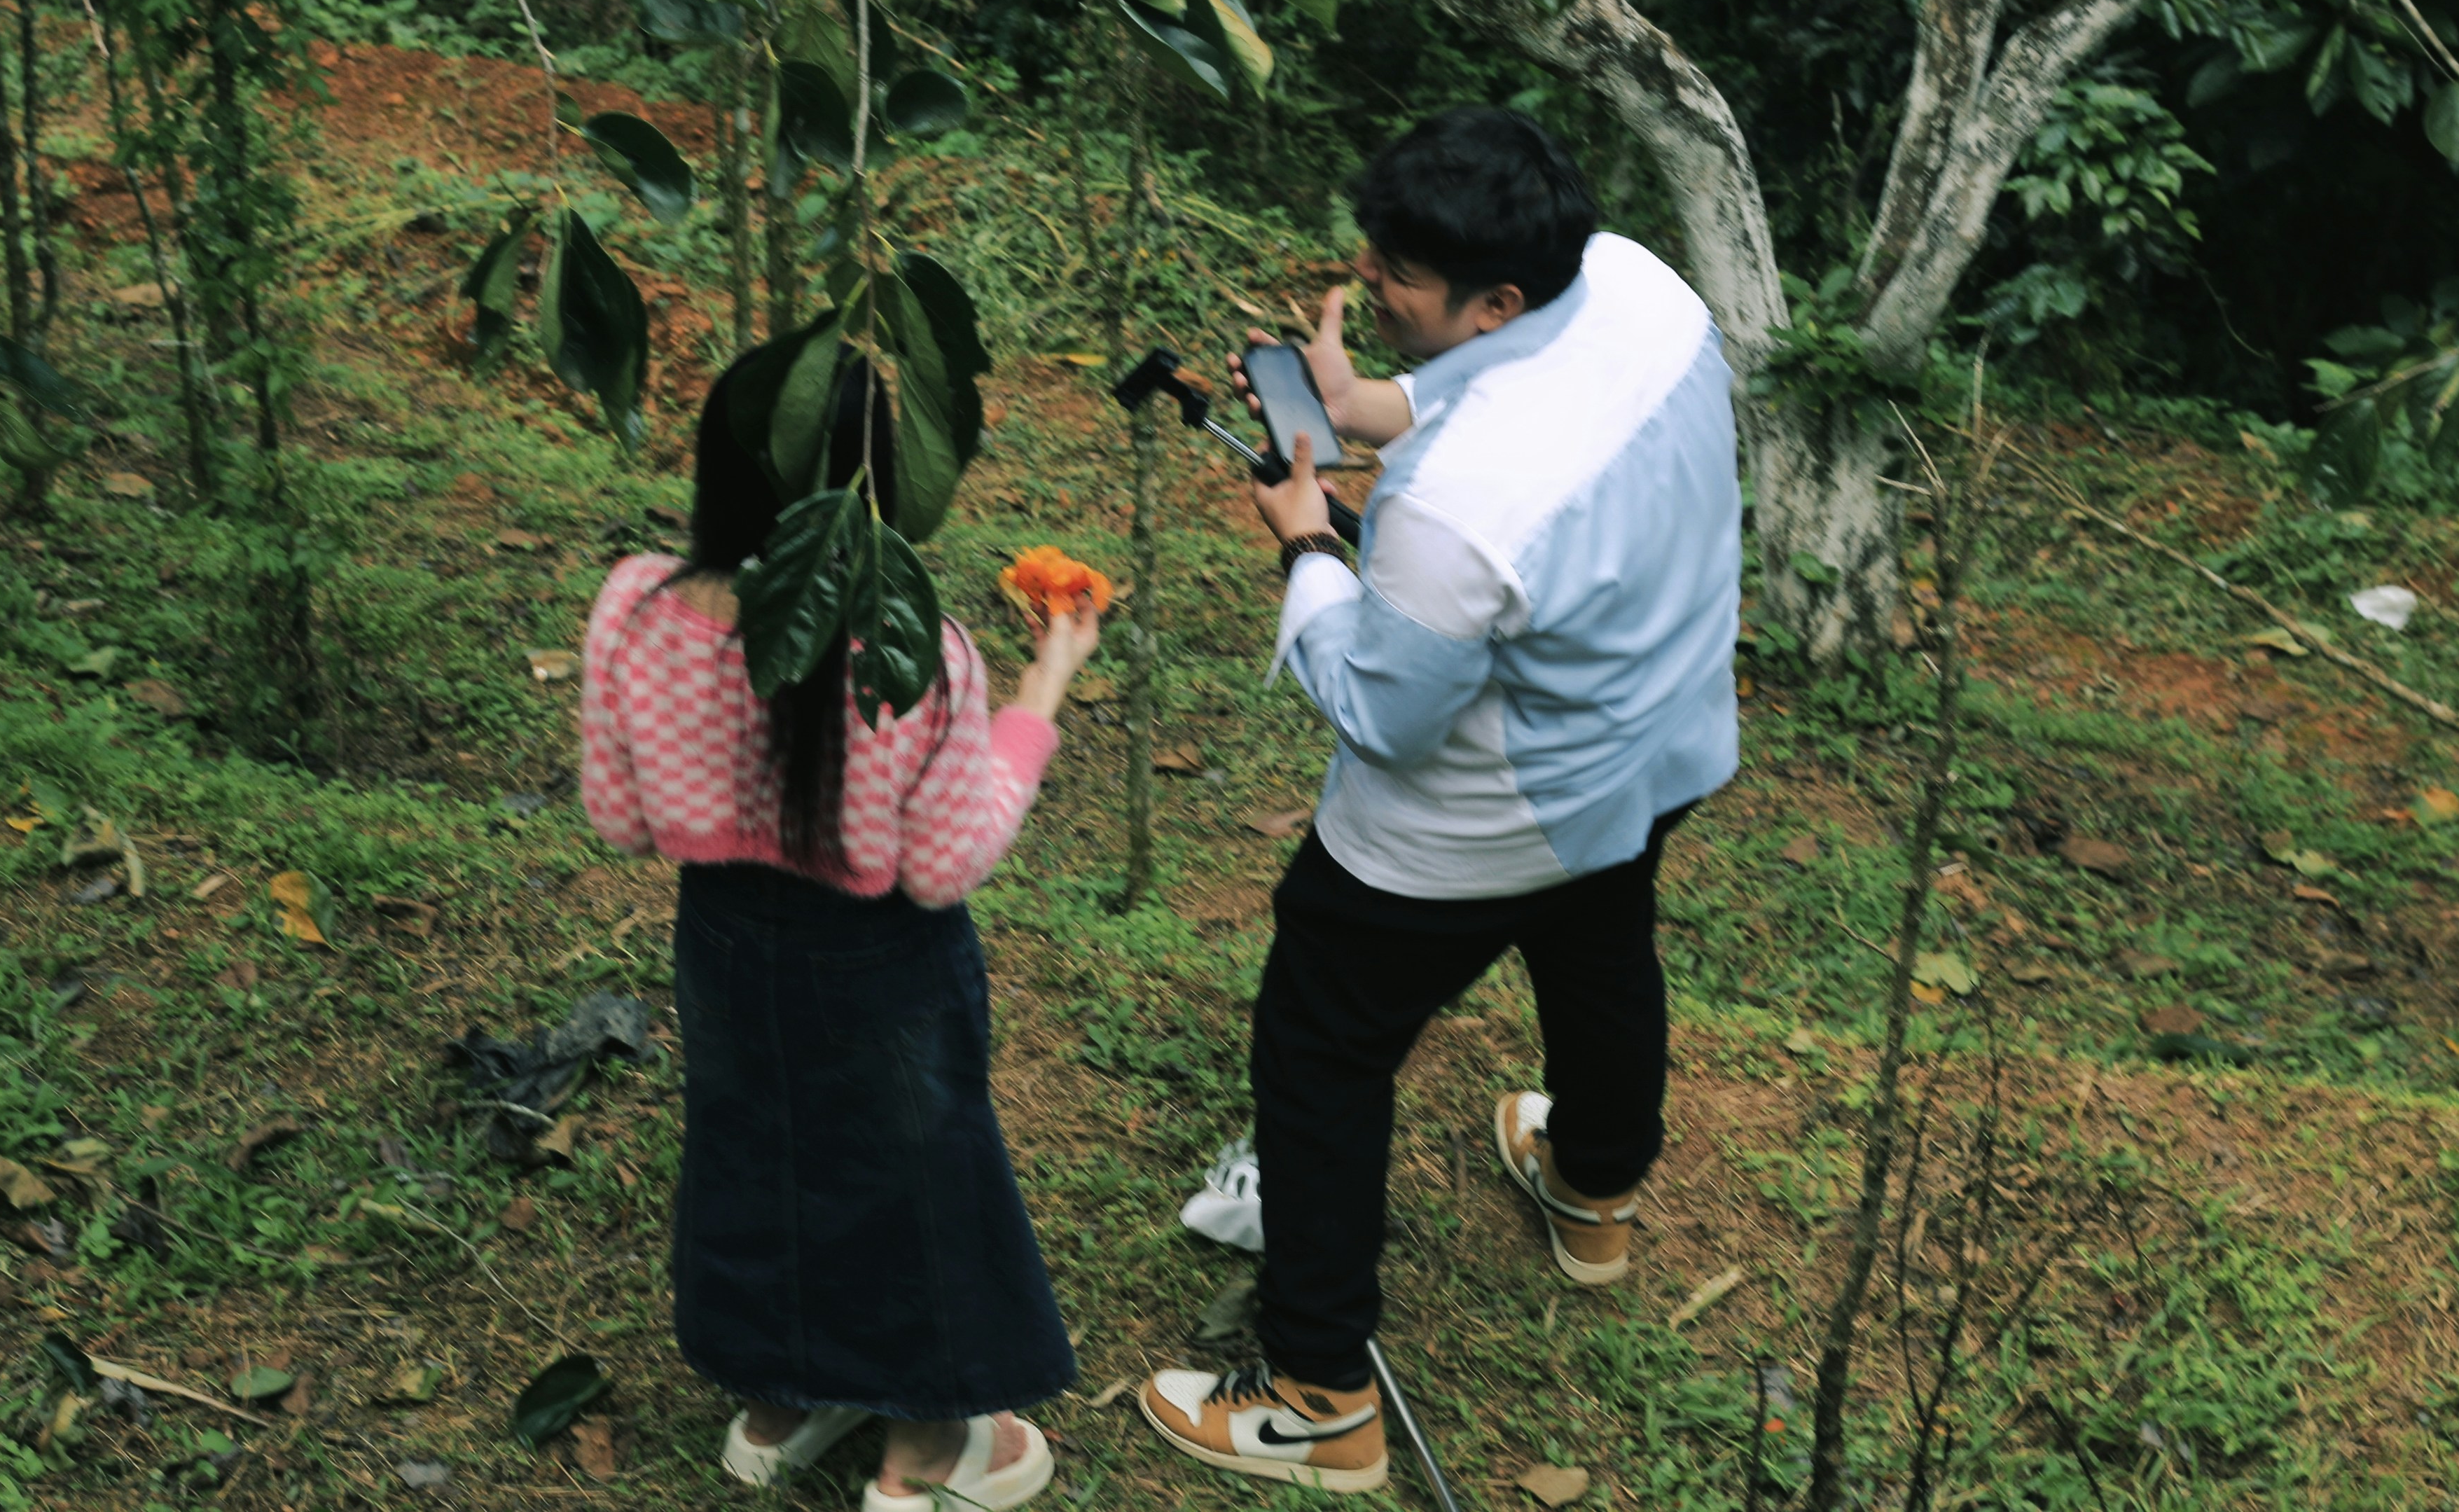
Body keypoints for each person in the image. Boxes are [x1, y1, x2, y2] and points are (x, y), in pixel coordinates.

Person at [1141, 108, 1741, 1493]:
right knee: (1599, 949)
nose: (1367, 279)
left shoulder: (1456, 504)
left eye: (1399, 275)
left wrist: (1307, 547)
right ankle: (1592, 1190)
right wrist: (1366, 405)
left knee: (1320, 1042)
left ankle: (1317, 1394)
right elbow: (1534, 390)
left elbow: (1384, 710)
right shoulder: (1644, 288)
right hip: (1654, 736)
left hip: (1479, 819)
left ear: (1497, 299)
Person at [580, 345, 1103, 1512]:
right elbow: (944, 865)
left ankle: (779, 1404)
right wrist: (1043, 687)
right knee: (916, 1179)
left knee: (754, 1147)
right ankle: (927, 1449)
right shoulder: (918, 652)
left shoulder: (636, 606)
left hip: (721, 938)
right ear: (883, 488)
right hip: (883, 960)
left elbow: (619, 818)